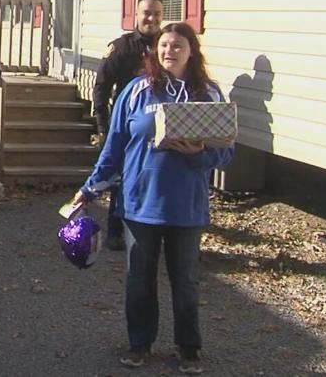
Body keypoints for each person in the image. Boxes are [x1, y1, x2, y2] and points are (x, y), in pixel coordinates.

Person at [72, 22, 234, 374]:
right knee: (139, 279)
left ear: (191, 51)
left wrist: (198, 153)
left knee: (186, 281)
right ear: (154, 51)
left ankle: (188, 348)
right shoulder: (136, 91)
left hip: (186, 205)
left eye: (177, 45)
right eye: (163, 45)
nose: (169, 51)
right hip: (140, 203)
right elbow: (114, 147)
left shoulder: (208, 94)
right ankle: (139, 344)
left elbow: (225, 153)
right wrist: (90, 187)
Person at [92, 0, 165, 251]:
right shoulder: (122, 48)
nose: (152, 18)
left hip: (160, 125)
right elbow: (101, 87)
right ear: (136, 14)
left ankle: (154, 228)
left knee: (156, 177)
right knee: (121, 178)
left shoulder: (167, 46)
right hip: (127, 124)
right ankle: (115, 230)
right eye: (147, 13)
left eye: (157, 14)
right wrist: (102, 126)